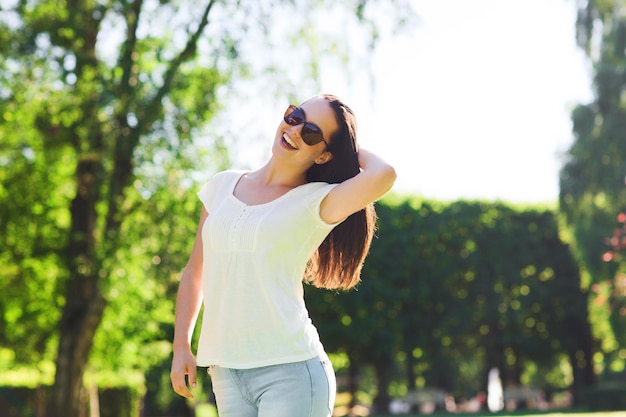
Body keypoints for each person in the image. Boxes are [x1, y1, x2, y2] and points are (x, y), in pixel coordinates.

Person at [170, 93, 396, 417]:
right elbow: (195, 271)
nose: (295, 130)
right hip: (225, 370)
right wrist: (182, 346)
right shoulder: (222, 186)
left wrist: (349, 148)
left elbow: (383, 175)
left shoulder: (316, 201)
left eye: (312, 133)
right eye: (295, 116)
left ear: (323, 155)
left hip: (291, 373)